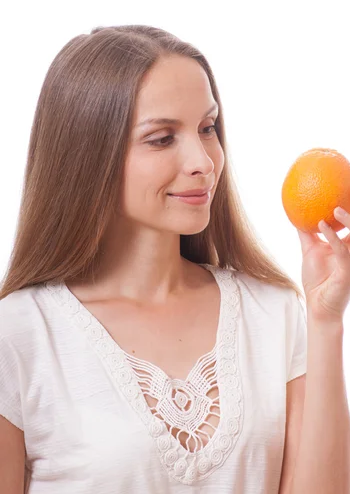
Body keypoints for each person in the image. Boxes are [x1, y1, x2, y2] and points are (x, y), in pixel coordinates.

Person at [0, 25, 308, 493]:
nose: (203, 160)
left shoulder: (275, 313)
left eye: (207, 128)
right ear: (89, 155)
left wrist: (329, 317)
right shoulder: (19, 335)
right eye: (162, 138)